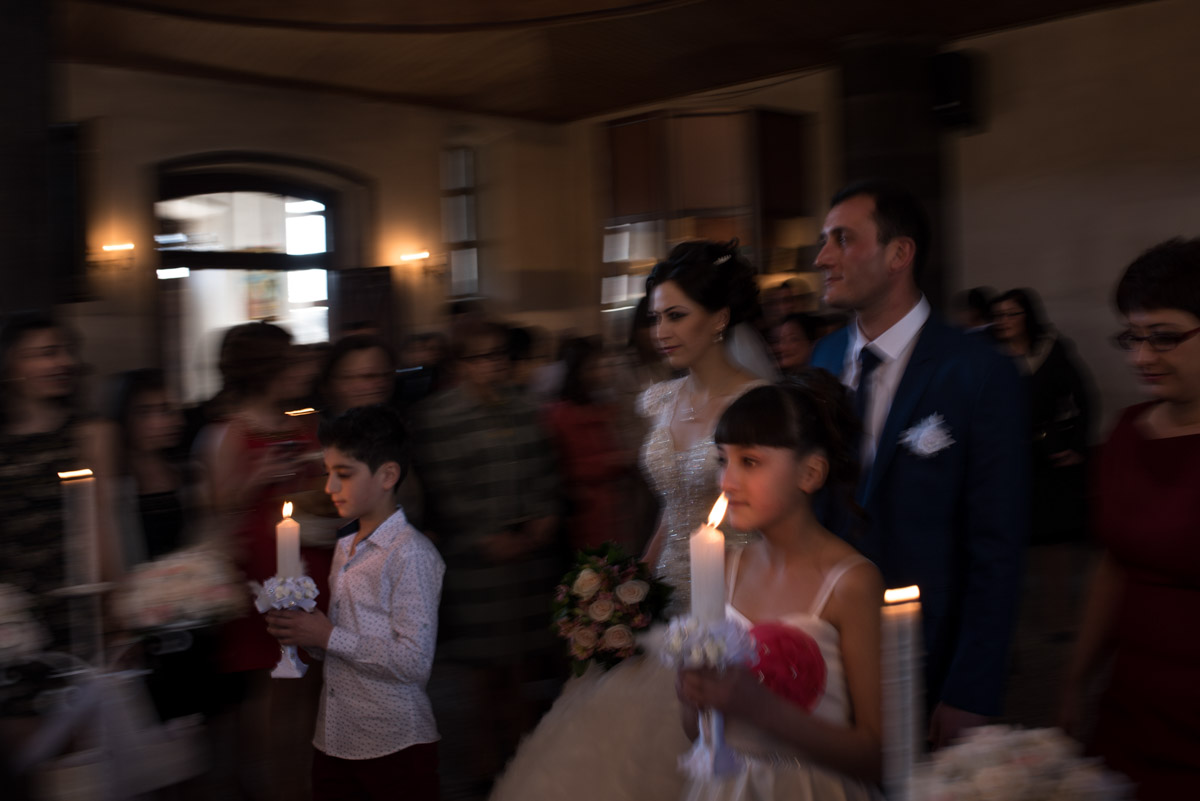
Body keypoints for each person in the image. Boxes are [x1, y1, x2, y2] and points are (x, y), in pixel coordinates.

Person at [489, 240, 772, 801]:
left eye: (676, 315)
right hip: (663, 598)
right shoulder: (661, 400)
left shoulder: (757, 403)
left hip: (738, 599)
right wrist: (627, 590)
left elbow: (770, 518)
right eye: (655, 317)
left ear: (718, 319)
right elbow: (673, 504)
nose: (660, 330)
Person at [809, 179, 1028, 748]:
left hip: (927, 657)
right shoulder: (823, 358)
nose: (821, 257)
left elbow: (996, 547)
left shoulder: (977, 372)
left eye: (841, 239)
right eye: (823, 241)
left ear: (898, 255)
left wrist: (970, 690)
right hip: (824, 650)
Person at [677, 373, 882, 800]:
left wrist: (762, 707)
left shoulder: (849, 584)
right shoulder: (723, 571)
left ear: (810, 473)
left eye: (749, 462)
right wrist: (691, 693)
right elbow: (699, 733)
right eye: (722, 460)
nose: (726, 482)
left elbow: (877, 754)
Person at [1059, 238, 1200, 800]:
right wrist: (1075, 680)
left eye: (1164, 337)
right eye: (1133, 337)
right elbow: (1113, 567)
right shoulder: (1126, 432)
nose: (1142, 357)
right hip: (1131, 705)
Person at [266, 405, 444, 801]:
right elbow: (341, 643)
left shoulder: (410, 554)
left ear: (387, 476)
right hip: (334, 738)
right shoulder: (346, 546)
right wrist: (304, 632)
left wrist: (327, 636)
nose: (329, 488)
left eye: (343, 475)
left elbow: (414, 663)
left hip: (393, 744)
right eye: (328, 473)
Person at [414, 320, 562, 789]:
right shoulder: (441, 416)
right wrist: (484, 535)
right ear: (461, 365)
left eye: (499, 355)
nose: (493, 364)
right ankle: (483, 767)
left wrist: (541, 515)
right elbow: (446, 486)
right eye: (482, 357)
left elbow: (542, 468)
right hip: (474, 561)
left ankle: (521, 756)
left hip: (524, 559)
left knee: (519, 663)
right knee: (482, 673)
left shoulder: (523, 407)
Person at [196, 321, 331, 800]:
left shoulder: (302, 421)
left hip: (311, 561)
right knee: (272, 685)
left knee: (310, 684)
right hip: (261, 574)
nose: (302, 370)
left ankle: (304, 781)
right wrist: (258, 478)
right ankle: (273, 786)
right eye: (291, 362)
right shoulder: (230, 432)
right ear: (265, 370)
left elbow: (322, 492)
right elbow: (217, 507)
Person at [0, 313, 118, 653]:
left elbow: (102, 522)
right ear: (11, 366)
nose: (63, 362)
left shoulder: (90, 434)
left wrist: (112, 603)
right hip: (12, 603)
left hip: (76, 597)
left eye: (67, 351)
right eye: (46, 353)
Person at [991, 288, 1095, 636]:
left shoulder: (1051, 349)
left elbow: (1083, 396)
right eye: (1000, 315)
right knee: (1008, 543)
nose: (1004, 321)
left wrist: (1075, 443)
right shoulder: (989, 354)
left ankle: (1057, 617)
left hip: (1047, 456)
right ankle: (1009, 630)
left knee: (1054, 541)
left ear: (1027, 316)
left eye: (1011, 314)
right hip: (1006, 457)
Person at [542, 336, 636, 552]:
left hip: (613, 504)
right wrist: (614, 461)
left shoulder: (604, 407)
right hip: (585, 508)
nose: (603, 373)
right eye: (595, 367)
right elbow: (565, 466)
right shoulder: (561, 414)